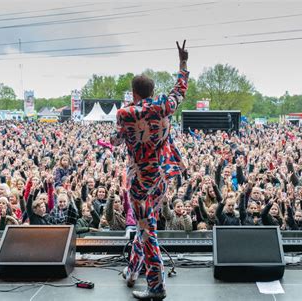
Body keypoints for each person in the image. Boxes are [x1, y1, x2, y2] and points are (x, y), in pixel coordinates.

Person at [109, 40, 189, 300]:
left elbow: (117, 139)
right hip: (160, 178)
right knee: (146, 225)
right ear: (152, 91)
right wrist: (183, 63)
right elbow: (180, 90)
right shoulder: (165, 106)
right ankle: (133, 271)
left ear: (134, 93)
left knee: (147, 231)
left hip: (140, 181)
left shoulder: (125, 113)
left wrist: (113, 137)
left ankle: (156, 286)